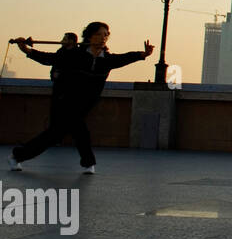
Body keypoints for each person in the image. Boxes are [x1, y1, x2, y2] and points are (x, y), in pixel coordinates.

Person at [9, 23, 152, 174]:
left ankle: (17, 156)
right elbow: (50, 59)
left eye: (106, 35)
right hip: (66, 102)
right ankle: (88, 163)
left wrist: (142, 55)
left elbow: (124, 58)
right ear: (90, 36)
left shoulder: (107, 60)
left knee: (54, 135)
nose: (104, 38)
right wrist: (26, 49)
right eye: (100, 34)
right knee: (79, 130)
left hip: (85, 105)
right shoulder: (75, 55)